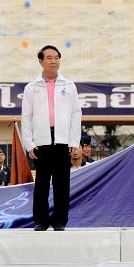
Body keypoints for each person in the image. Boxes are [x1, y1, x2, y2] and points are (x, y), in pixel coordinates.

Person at [21, 45, 82, 231]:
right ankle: (40, 220)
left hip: (63, 140)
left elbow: (75, 114)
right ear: (40, 61)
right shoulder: (32, 87)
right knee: (41, 184)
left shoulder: (69, 85)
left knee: (62, 183)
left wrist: (74, 141)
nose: (53, 61)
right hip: (41, 141)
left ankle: (59, 221)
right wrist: (29, 144)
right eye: (49, 58)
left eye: (56, 57)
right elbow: (26, 116)